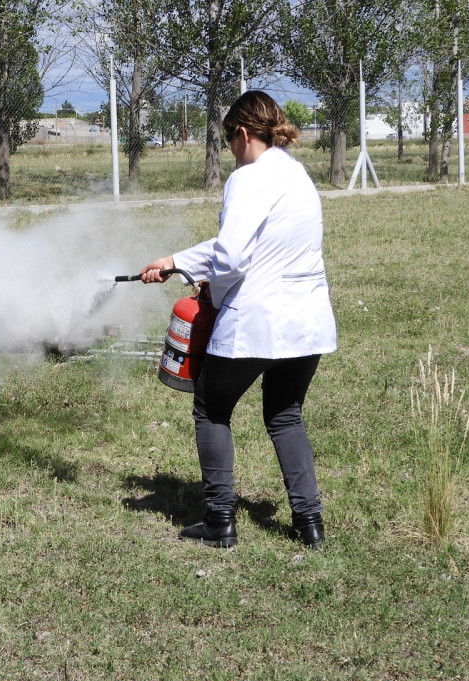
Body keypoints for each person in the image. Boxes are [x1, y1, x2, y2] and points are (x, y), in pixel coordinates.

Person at [140, 90, 337, 550]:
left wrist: (197, 278)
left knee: (211, 407)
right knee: (285, 414)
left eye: (230, 139)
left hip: (258, 319)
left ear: (244, 133)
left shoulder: (247, 179)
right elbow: (245, 248)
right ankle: (310, 525)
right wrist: (175, 261)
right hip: (307, 321)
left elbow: (229, 258)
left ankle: (220, 522)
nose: (230, 149)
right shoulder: (296, 174)